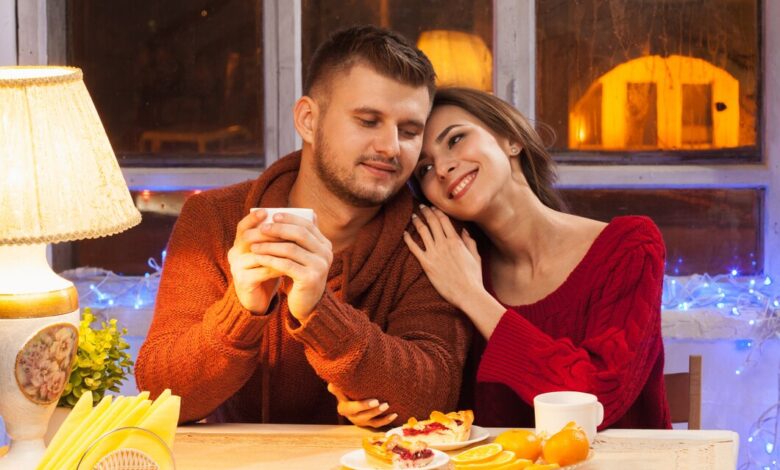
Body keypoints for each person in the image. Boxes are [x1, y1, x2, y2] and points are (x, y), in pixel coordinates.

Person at [135, 26, 471, 425]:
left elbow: (432, 401)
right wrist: (242, 309)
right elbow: (160, 395)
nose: (390, 147)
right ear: (309, 120)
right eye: (368, 120)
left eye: (410, 131)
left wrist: (319, 311)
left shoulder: (429, 237)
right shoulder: (214, 218)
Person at [333, 87, 671, 430]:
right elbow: (436, 393)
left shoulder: (629, 247)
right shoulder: (450, 264)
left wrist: (472, 296)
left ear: (511, 138)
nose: (444, 169)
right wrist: (373, 396)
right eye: (425, 169)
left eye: (455, 139)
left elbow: (595, 401)